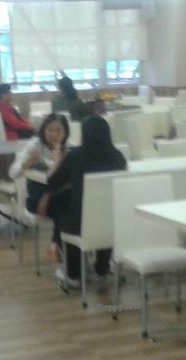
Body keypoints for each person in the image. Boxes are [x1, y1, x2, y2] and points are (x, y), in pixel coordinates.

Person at [46, 116, 127, 289]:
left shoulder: (75, 156)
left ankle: (73, 275)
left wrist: (57, 160)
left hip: (80, 223)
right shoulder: (118, 157)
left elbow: (52, 183)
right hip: (113, 221)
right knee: (103, 215)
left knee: (64, 216)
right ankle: (102, 268)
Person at [8, 114, 70, 259]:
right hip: (36, 198)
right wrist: (28, 162)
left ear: (65, 133)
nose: (54, 134)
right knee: (66, 207)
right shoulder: (35, 145)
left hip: (56, 196)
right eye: (50, 130)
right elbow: (12, 173)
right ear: (43, 130)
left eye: (59, 130)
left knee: (73, 204)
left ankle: (60, 247)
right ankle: (58, 248)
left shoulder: (68, 149)